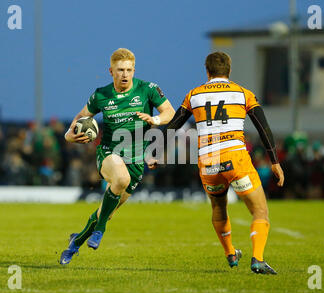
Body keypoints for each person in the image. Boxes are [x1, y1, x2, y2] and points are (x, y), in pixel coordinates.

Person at [151, 52, 284, 274]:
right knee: (260, 211)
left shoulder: (194, 95)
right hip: (236, 158)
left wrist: (157, 153)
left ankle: (230, 253)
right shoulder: (243, 93)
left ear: (207, 71)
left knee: (219, 208)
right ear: (229, 70)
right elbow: (263, 127)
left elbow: (174, 125)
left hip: (208, 161)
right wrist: (275, 161)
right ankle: (258, 259)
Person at [59, 48, 175, 265]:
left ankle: (76, 242)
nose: (125, 74)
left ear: (134, 70)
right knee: (121, 179)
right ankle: (100, 229)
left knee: (107, 211)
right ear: (111, 71)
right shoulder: (101, 95)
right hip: (109, 154)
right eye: (120, 70)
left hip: (136, 161)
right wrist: (69, 136)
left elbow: (169, 111)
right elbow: (80, 119)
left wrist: (155, 120)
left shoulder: (147, 89)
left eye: (129, 70)